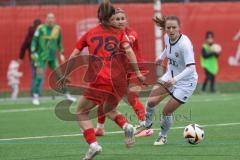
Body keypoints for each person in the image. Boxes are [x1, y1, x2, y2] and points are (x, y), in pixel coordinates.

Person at [65, 1, 145, 159]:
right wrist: (138, 72)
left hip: (99, 80)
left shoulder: (90, 33)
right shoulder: (119, 33)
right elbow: (129, 52)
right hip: (119, 81)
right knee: (107, 109)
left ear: (99, 16)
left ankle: (93, 145)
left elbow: (74, 55)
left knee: (81, 112)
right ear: (111, 17)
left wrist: (66, 74)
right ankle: (127, 126)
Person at [135, 15, 198, 145]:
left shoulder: (184, 44)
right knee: (151, 101)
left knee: (166, 111)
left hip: (186, 83)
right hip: (170, 76)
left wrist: (176, 79)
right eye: (168, 27)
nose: (170, 30)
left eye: (174, 27)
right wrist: (161, 57)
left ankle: (163, 136)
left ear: (179, 28)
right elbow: (168, 48)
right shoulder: (167, 37)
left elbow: (191, 68)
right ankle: (147, 124)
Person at [94, 8, 153, 138]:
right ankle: (99, 128)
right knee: (105, 100)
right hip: (121, 72)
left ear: (127, 20)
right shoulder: (111, 34)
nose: (120, 21)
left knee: (131, 95)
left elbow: (127, 44)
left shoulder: (130, 33)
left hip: (136, 69)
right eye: (117, 19)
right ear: (112, 21)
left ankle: (145, 125)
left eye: (122, 19)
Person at [31, 13, 76, 105]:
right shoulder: (40, 28)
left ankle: (67, 95)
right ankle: (35, 97)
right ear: (46, 19)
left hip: (52, 57)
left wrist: (61, 53)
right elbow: (34, 41)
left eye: (52, 18)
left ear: (54, 19)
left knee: (60, 75)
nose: (50, 20)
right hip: (41, 57)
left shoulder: (57, 29)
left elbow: (59, 43)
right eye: (48, 18)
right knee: (39, 76)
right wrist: (33, 52)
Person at [18, 19, 41, 96]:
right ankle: (37, 93)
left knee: (34, 76)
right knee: (39, 75)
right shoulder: (41, 34)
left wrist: (21, 58)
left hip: (32, 57)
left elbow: (23, 47)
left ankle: (33, 93)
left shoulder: (29, 35)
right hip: (40, 58)